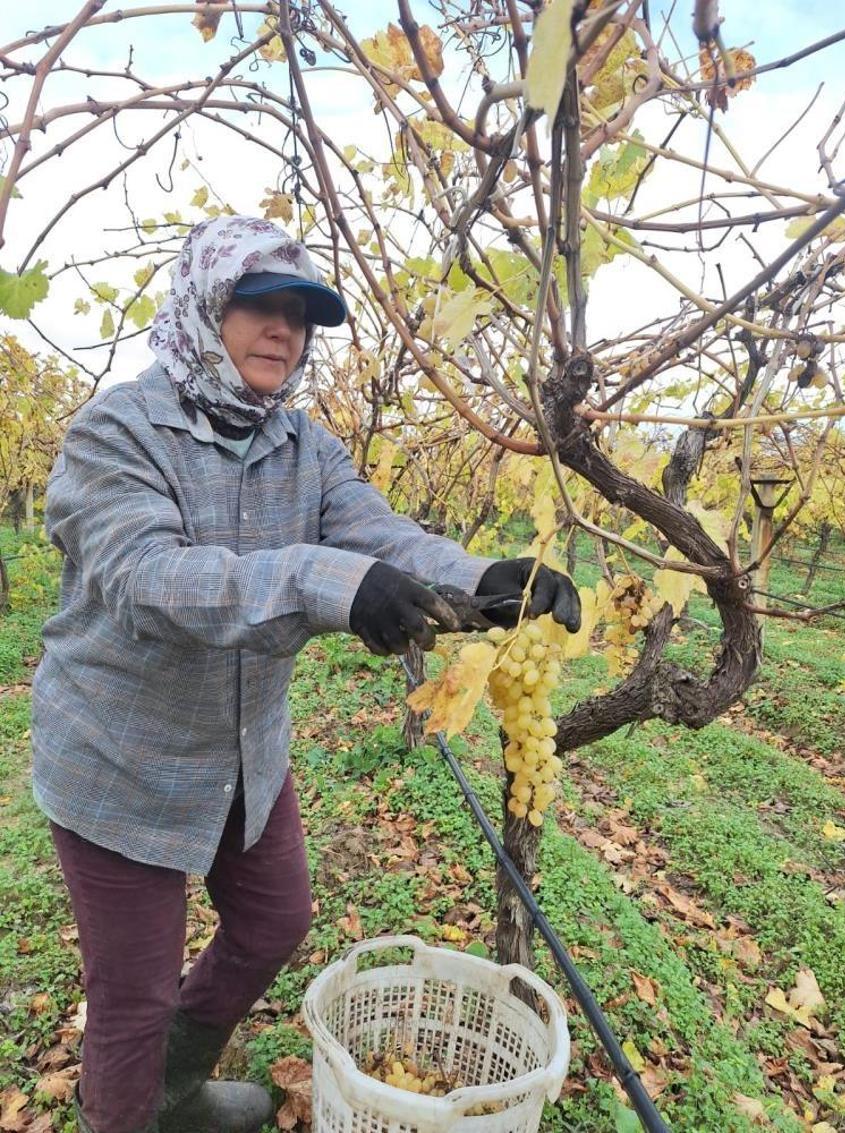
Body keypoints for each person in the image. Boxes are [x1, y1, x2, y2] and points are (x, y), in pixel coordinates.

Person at [31, 215, 581, 1133]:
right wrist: (329, 583)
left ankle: (177, 1080)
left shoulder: (304, 447)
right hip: (120, 766)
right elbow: (150, 580)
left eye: (301, 314)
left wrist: (482, 581)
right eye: (260, 305)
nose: (284, 330)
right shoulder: (114, 434)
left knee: (276, 919)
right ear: (205, 306)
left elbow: (377, 531)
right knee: (129, 1000)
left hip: (243, 757)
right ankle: (130, 1102)